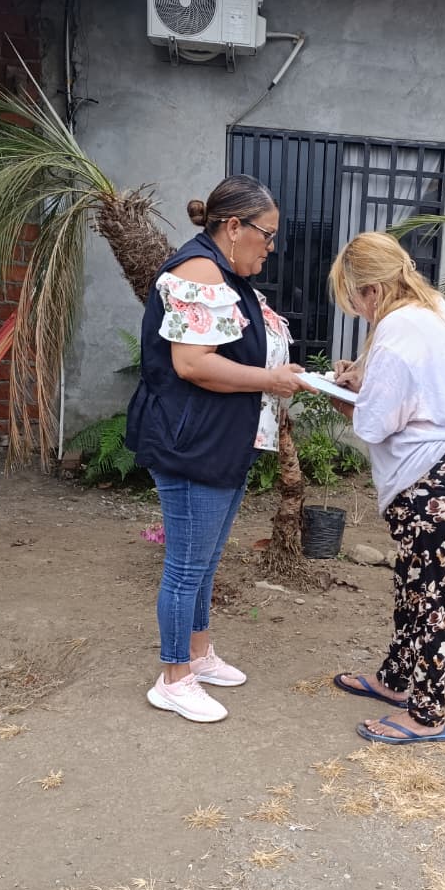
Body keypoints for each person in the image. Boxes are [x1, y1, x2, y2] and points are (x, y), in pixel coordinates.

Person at [126, 175, 311, 723]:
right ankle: (173, 677)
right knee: (186, 566)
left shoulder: (227, 273)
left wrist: (280, 373)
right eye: (266, 235)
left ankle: (199, 654)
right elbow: (192, 363)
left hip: (221, 439)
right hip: (193, 443)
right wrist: (269, 379)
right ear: (233, 227)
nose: (271, 247)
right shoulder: (199, 271)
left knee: (204, 562)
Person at [329, 232, 445, 744]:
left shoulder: (397, 328)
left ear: (373, 290)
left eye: (355, 299)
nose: (358, 311)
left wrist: (339, 394)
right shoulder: (438, 311)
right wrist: (364, 383)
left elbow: (374, 423)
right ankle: (395, 680)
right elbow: (421, 394)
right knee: (414, 583)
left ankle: (427, 715)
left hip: (436, 482)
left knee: (432, 598)